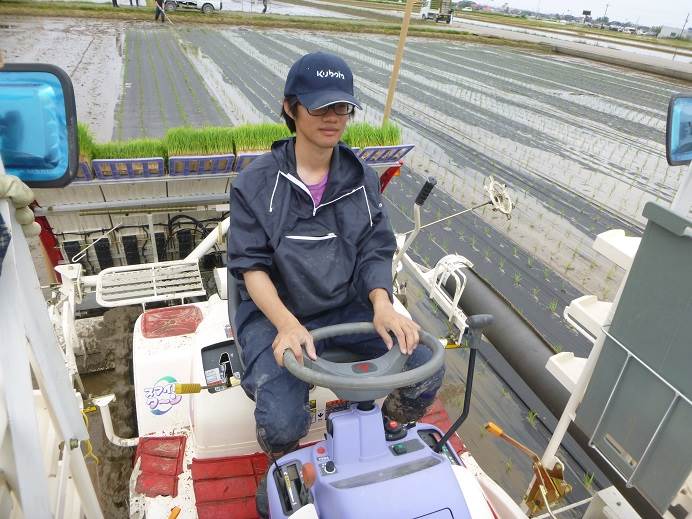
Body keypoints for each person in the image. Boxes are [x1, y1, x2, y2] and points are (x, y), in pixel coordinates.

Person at [227, 51, 444, 516]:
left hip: (346, 308)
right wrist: (286, 325)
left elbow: (373, 248)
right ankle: (284, 463)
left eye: (341, 108)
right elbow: (252, 269)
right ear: (290, 108)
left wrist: (383, 305)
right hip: (279, 314)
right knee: (281, 417)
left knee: (426, 365)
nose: (332, 119)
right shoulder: (254, 185)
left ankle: (386, 428)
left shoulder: (360, 177)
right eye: (319, 107)